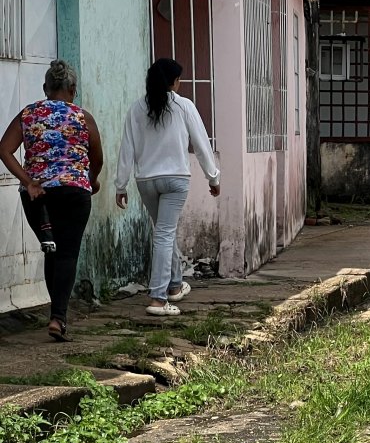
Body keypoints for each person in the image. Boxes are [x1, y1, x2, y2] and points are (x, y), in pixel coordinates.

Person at [0, 59, 103, 342]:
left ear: (46, 88)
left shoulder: (28, 114)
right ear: (73, 90)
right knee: (67, 253)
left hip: (38, 195)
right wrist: (91, 180)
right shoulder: (83, 117)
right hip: (74, 193)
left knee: (52, 251)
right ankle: (58, 318)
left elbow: (4, 150)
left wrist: (28, 181)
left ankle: (56, 314)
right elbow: (97, 158)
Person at [115, 58, 220, 317]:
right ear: (173, 82)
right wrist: (213, 178)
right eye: (178, 79)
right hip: (175, 179)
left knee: (164, 232)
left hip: (146, 181)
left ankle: (174, 286)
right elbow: (201, 143)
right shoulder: (183, 105)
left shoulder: (136, 108)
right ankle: (158, 299)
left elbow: (127, 148)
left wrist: (121, 184)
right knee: (164, 234)